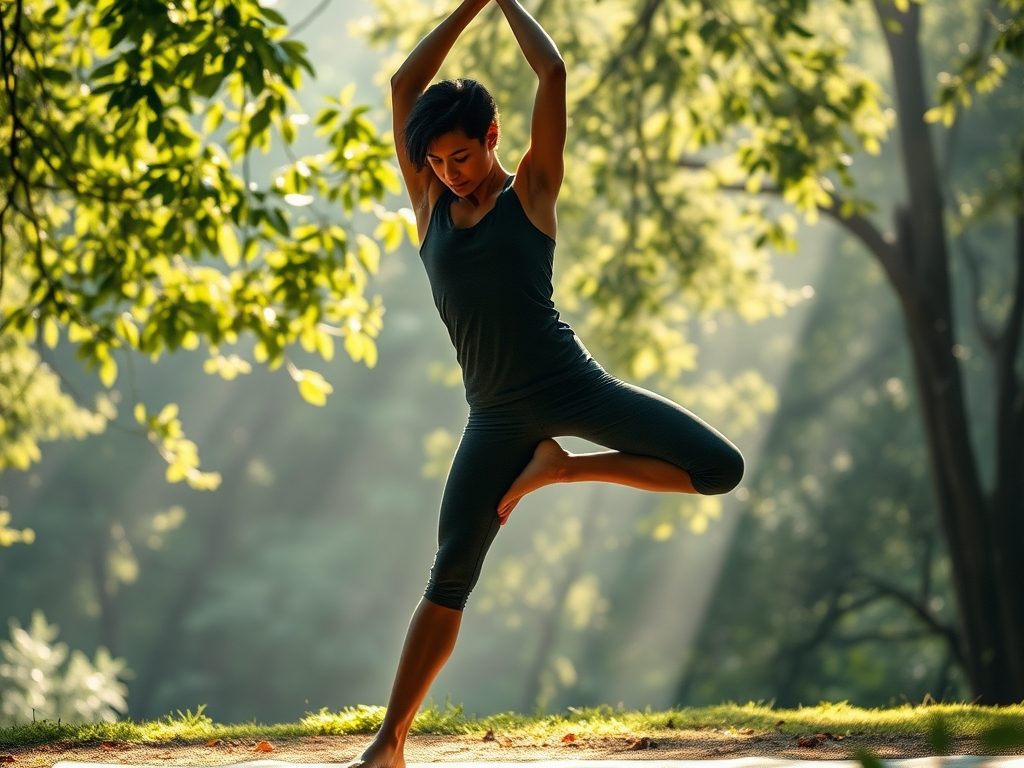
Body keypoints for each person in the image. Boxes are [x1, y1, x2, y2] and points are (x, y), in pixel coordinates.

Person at [344, 2, 744, 767]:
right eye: (433, 161)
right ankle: (389, 743)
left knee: (718, 469)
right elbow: (404, 84)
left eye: (460, 156)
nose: (446, 171)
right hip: (492, 417)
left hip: (573, 388)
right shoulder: (428, 206)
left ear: (493, 138)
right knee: (451, 567)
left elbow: (552, 71)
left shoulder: (530, 191)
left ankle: (561, 469)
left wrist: (503, 0)